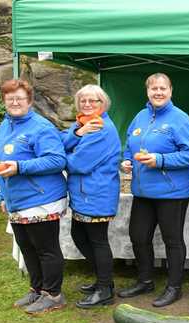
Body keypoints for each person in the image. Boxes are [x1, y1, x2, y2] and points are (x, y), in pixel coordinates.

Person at [119, 73, 189, 307]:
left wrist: (160, 160)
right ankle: (145, 280)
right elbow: (130, 144)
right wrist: (127, 160)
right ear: (147, 91)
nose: (158, 92)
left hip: (172, 193)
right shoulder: (140, 117)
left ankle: (174, 287)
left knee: (172, 240)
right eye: (154, 88)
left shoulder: (180, 119)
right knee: (138, 236)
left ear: (170, 91)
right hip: (143, 192)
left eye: (162, 88)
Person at [0, 79, 67, 314]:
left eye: (20, 98)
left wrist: (20, 167)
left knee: (46, 248)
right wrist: (4, 195)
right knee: (27, 247)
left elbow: (57, 160)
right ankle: (37, 288)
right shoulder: (6, 126)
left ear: (30, 101)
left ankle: (53, 294)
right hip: (17, 199)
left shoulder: (41, 127)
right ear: (4, 101)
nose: (15, 102)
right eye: (10, 98)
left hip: (41, 198)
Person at [61, 85, 121, 308]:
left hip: (96, 193)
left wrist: (63, 154)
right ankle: (103, 280)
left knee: (97, 241)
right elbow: (64, 142)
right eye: (83, 101)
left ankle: (105, 289)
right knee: (80, 236)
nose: (87, 104)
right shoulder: (84, 124)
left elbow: (79, 163)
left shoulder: (102, 129)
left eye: (92, 101)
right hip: (83, 193)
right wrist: (77, 133)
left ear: (102, 104)